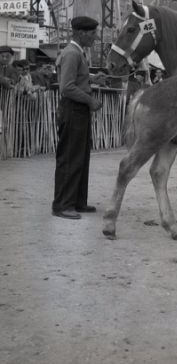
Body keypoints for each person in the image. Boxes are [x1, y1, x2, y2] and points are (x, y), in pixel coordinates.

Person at [52, 16, 103, 219]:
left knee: (81, 157)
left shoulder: (78, 53)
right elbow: (67, 87)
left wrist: (92, 78)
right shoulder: (72, 53)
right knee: (70, 159)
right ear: (81, 33)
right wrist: (90, 101)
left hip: (78, 111)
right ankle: (63, 205)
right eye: (92, 34)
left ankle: (77, 202)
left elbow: (76, 79)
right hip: (73, 110)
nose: (95, 37)